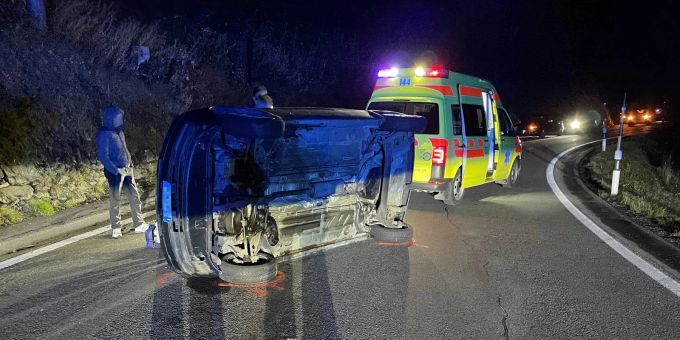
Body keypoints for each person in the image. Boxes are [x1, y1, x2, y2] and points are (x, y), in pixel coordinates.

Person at [96, 106, 150, 238]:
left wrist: (129, 163)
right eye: (118, 118)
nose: (120, 120)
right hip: (115, 172)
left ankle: (138, 224)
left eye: (121, 118)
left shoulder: (119, 132)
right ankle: (116, 228)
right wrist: (115, 170)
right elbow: (103, 156)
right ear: (110, 119)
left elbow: (124, 149)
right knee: (116, 199)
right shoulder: (104, 134)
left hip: (127, 169)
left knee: (134, 197)